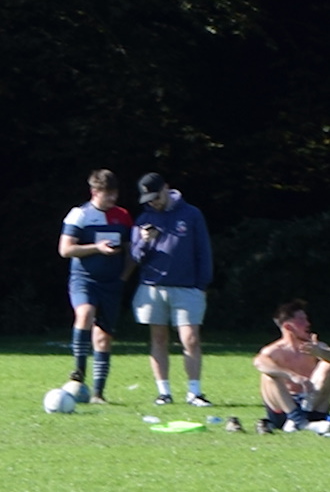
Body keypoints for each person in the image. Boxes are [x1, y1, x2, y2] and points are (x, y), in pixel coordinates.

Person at [131, 174, 215, 406]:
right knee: (158, 338)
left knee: (190, 339)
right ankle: (164, 392)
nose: (153, 202)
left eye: (156, 196)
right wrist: (145, 240)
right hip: (153, 287)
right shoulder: (144, 218)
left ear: (166, 189)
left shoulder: (191, 214)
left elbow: (203, 251)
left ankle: (194, 392)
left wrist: (202, 284)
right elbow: (136, 256)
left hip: (187, 287)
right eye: (148, 199)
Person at [58, 169, 134, 403]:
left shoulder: (123, 216)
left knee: (103, 338)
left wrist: (123, 277)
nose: (112, 198)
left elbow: (131, 251)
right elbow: (66, 250)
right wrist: (96, 248)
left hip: (112, 283)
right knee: (85, 314)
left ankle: (98, 394)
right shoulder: (79, 215)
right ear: (94, 192)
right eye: (107, 193)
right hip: (84, 279)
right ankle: (78, 371)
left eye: (114, 193)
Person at [252, 300, 330, 432]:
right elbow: (259, 362)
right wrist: (293, 376)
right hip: (284, 408)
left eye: (306, 319)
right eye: (301, 320)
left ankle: (302, 418)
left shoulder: (313, 346)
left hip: (311, 404)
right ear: (288, 327)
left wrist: (320, 352)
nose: (308, 324)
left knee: (328, 366)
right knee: (269, 375)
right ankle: (297, 419)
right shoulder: (275, 350)